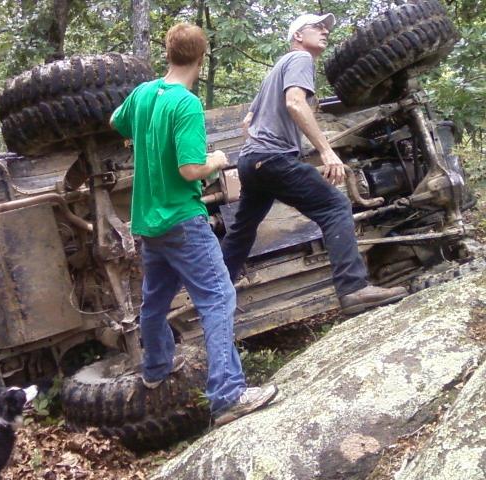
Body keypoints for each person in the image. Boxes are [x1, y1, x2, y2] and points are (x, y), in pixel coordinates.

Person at [110, 23, 278, 427]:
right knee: (217, 297)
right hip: (183, 220)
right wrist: (216, 161)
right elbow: (190, 169)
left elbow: (116, 121)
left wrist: (141, 136)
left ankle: (155, 368)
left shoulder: (143, 93)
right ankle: (228, 395)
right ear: (201, 59)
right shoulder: (186, 104)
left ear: (168, 53)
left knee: (154, 301)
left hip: (149, 222)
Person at [221, 13, 407, 315]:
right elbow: (295, 103)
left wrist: (262, 145)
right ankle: (354, 289)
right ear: (298, 35)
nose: (325, 31)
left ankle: (215, 291)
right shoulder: (300, 59)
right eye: (317, 27)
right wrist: (326, 151)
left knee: (243, 231)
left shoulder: (277, 69)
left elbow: (247, 122)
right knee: (335, 206)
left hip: (251, 161)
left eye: (326, 28)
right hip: (272, 158)